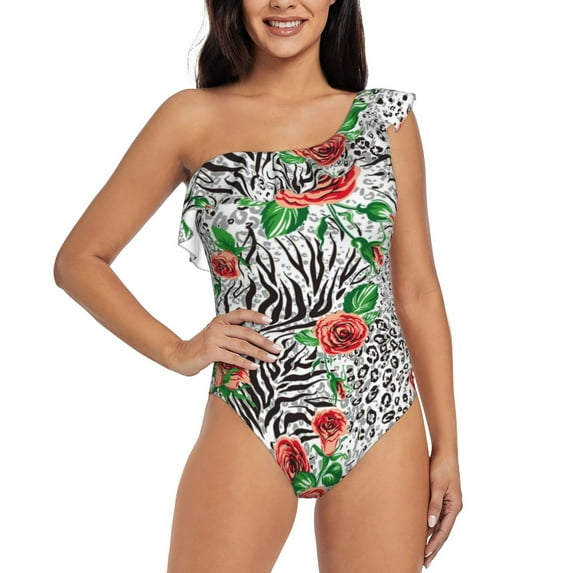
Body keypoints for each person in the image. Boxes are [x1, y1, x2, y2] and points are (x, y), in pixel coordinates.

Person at [54, 0, 462, 571]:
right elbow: (79, 260)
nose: (282, 2)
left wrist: (447, 447)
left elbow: (417, 289)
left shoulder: (386, 121)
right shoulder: (190, 117)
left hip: (381, 410)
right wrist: (177, 350)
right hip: (251, 403)